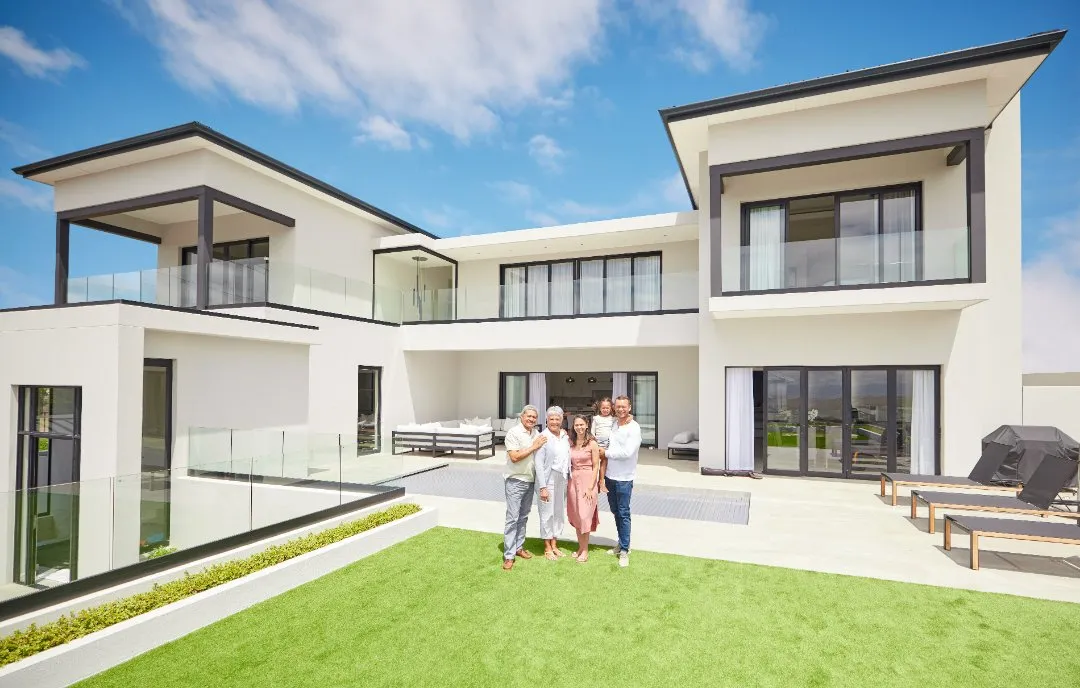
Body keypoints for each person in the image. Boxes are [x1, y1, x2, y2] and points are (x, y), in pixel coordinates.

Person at [501, 405, 547, 571]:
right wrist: (534, 446)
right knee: (512, 518)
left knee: (523, 516)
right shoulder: (513, 432)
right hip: (515, 480)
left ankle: (518, 547)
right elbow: (514, 457)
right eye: (529, 416)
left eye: (534, 417)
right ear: (522, 417)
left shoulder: (536, 433)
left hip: (530, 480)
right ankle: (509, 555)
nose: (531, 419)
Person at [601, 395, 641, 568]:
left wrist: (605, 453)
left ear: (629, 407)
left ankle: (625, 549)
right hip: (610, 476)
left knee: (623, 513)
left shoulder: (634, 427)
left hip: (624, 478)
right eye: (618, 407)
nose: (621, 409)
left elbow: (628, 453)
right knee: (616, 511)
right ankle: (621, 543)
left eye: (624, 407)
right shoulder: (614, 424)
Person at [534, 406, 571, 560]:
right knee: (547, 513)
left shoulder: (564, 436)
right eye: (551, 419)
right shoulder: (543, 437)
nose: (554, 422)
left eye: (557, 419)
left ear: (561, 420)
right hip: (547, 479)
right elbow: (538, 464)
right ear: (547, 420)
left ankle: (554, 544)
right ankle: (547, 546)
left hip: (562, 477)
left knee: (558, 512)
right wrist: (543, 487)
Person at [566, 415, 600, 562]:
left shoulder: (592, 443)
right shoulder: (571, 442)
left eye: (581, 424)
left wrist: (591, 487)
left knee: (585, 516)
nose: (579, 427)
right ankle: (580, 547)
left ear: (587, 425)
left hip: (588, 481)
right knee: (576, 515)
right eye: (576, 425)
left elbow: (596, 466)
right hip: (573, 481)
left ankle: (585, 550)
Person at [590, 398, 615, 493]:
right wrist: (593, 441)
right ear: (600, 408)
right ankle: (594, 482)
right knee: (595, 463)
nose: (605, 410)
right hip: (597, 444)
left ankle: (601, 481)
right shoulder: (596, 418)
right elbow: (592, 431)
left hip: (607, 445)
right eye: (603, 408)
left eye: (607, 408)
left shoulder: (613, 419)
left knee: (604, 462)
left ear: (611, 408)